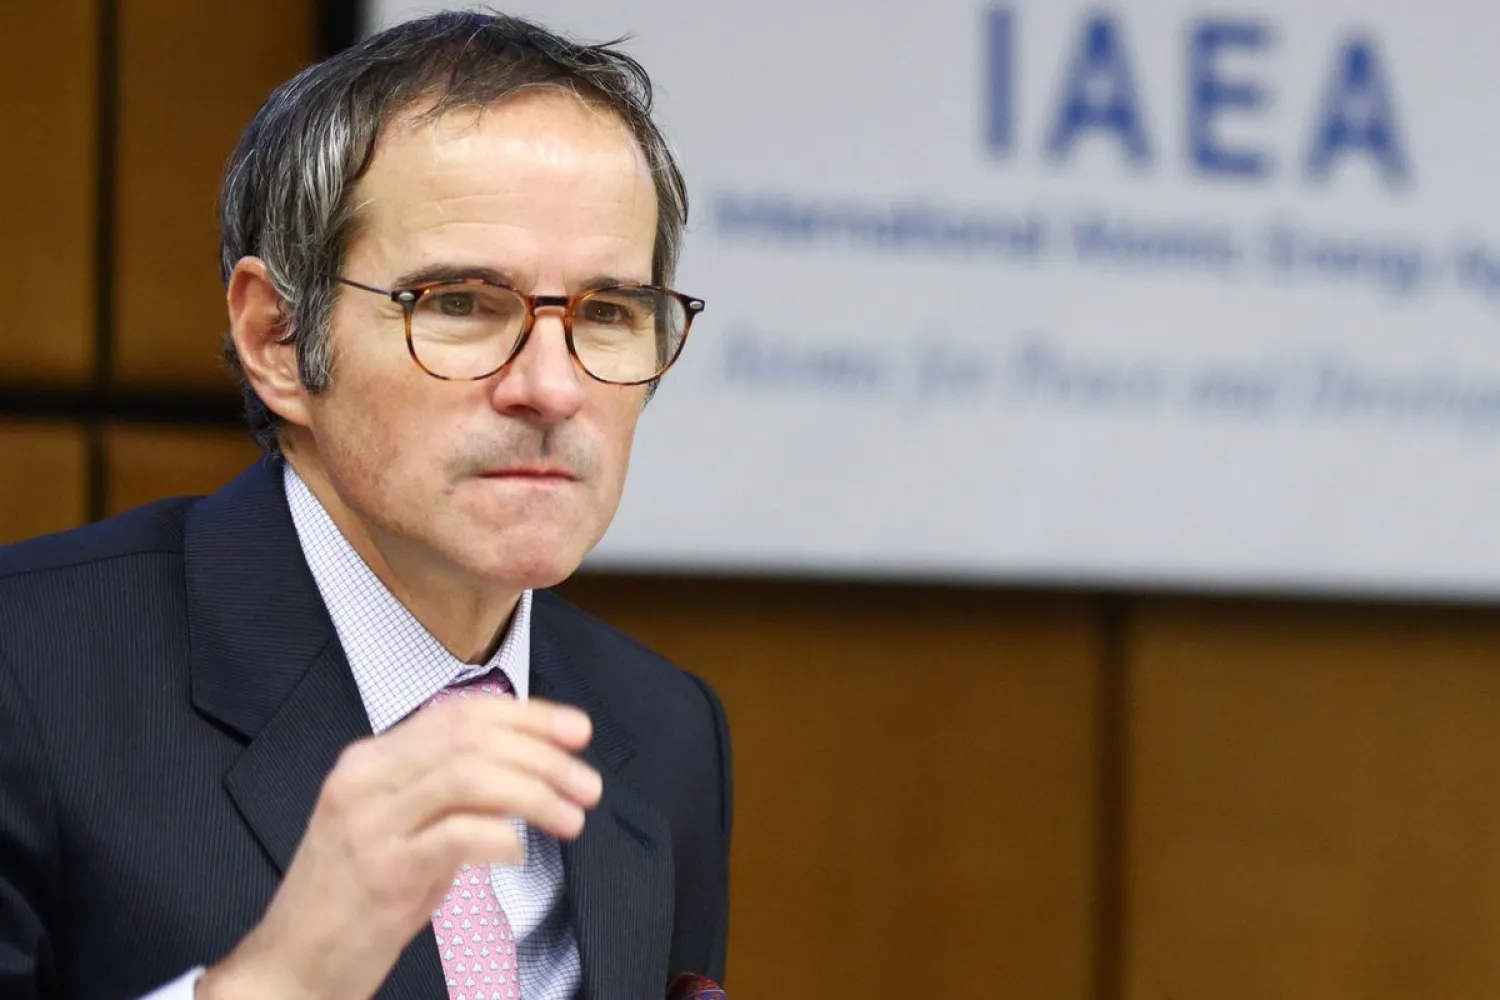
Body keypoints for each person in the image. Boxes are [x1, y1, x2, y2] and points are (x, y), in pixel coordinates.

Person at [0, 11, 731, 1000]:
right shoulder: (30, 674)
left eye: (606, 314)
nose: (553, 388)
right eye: (463, 303)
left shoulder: (664, 726)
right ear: (275, 340)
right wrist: (281, 979)